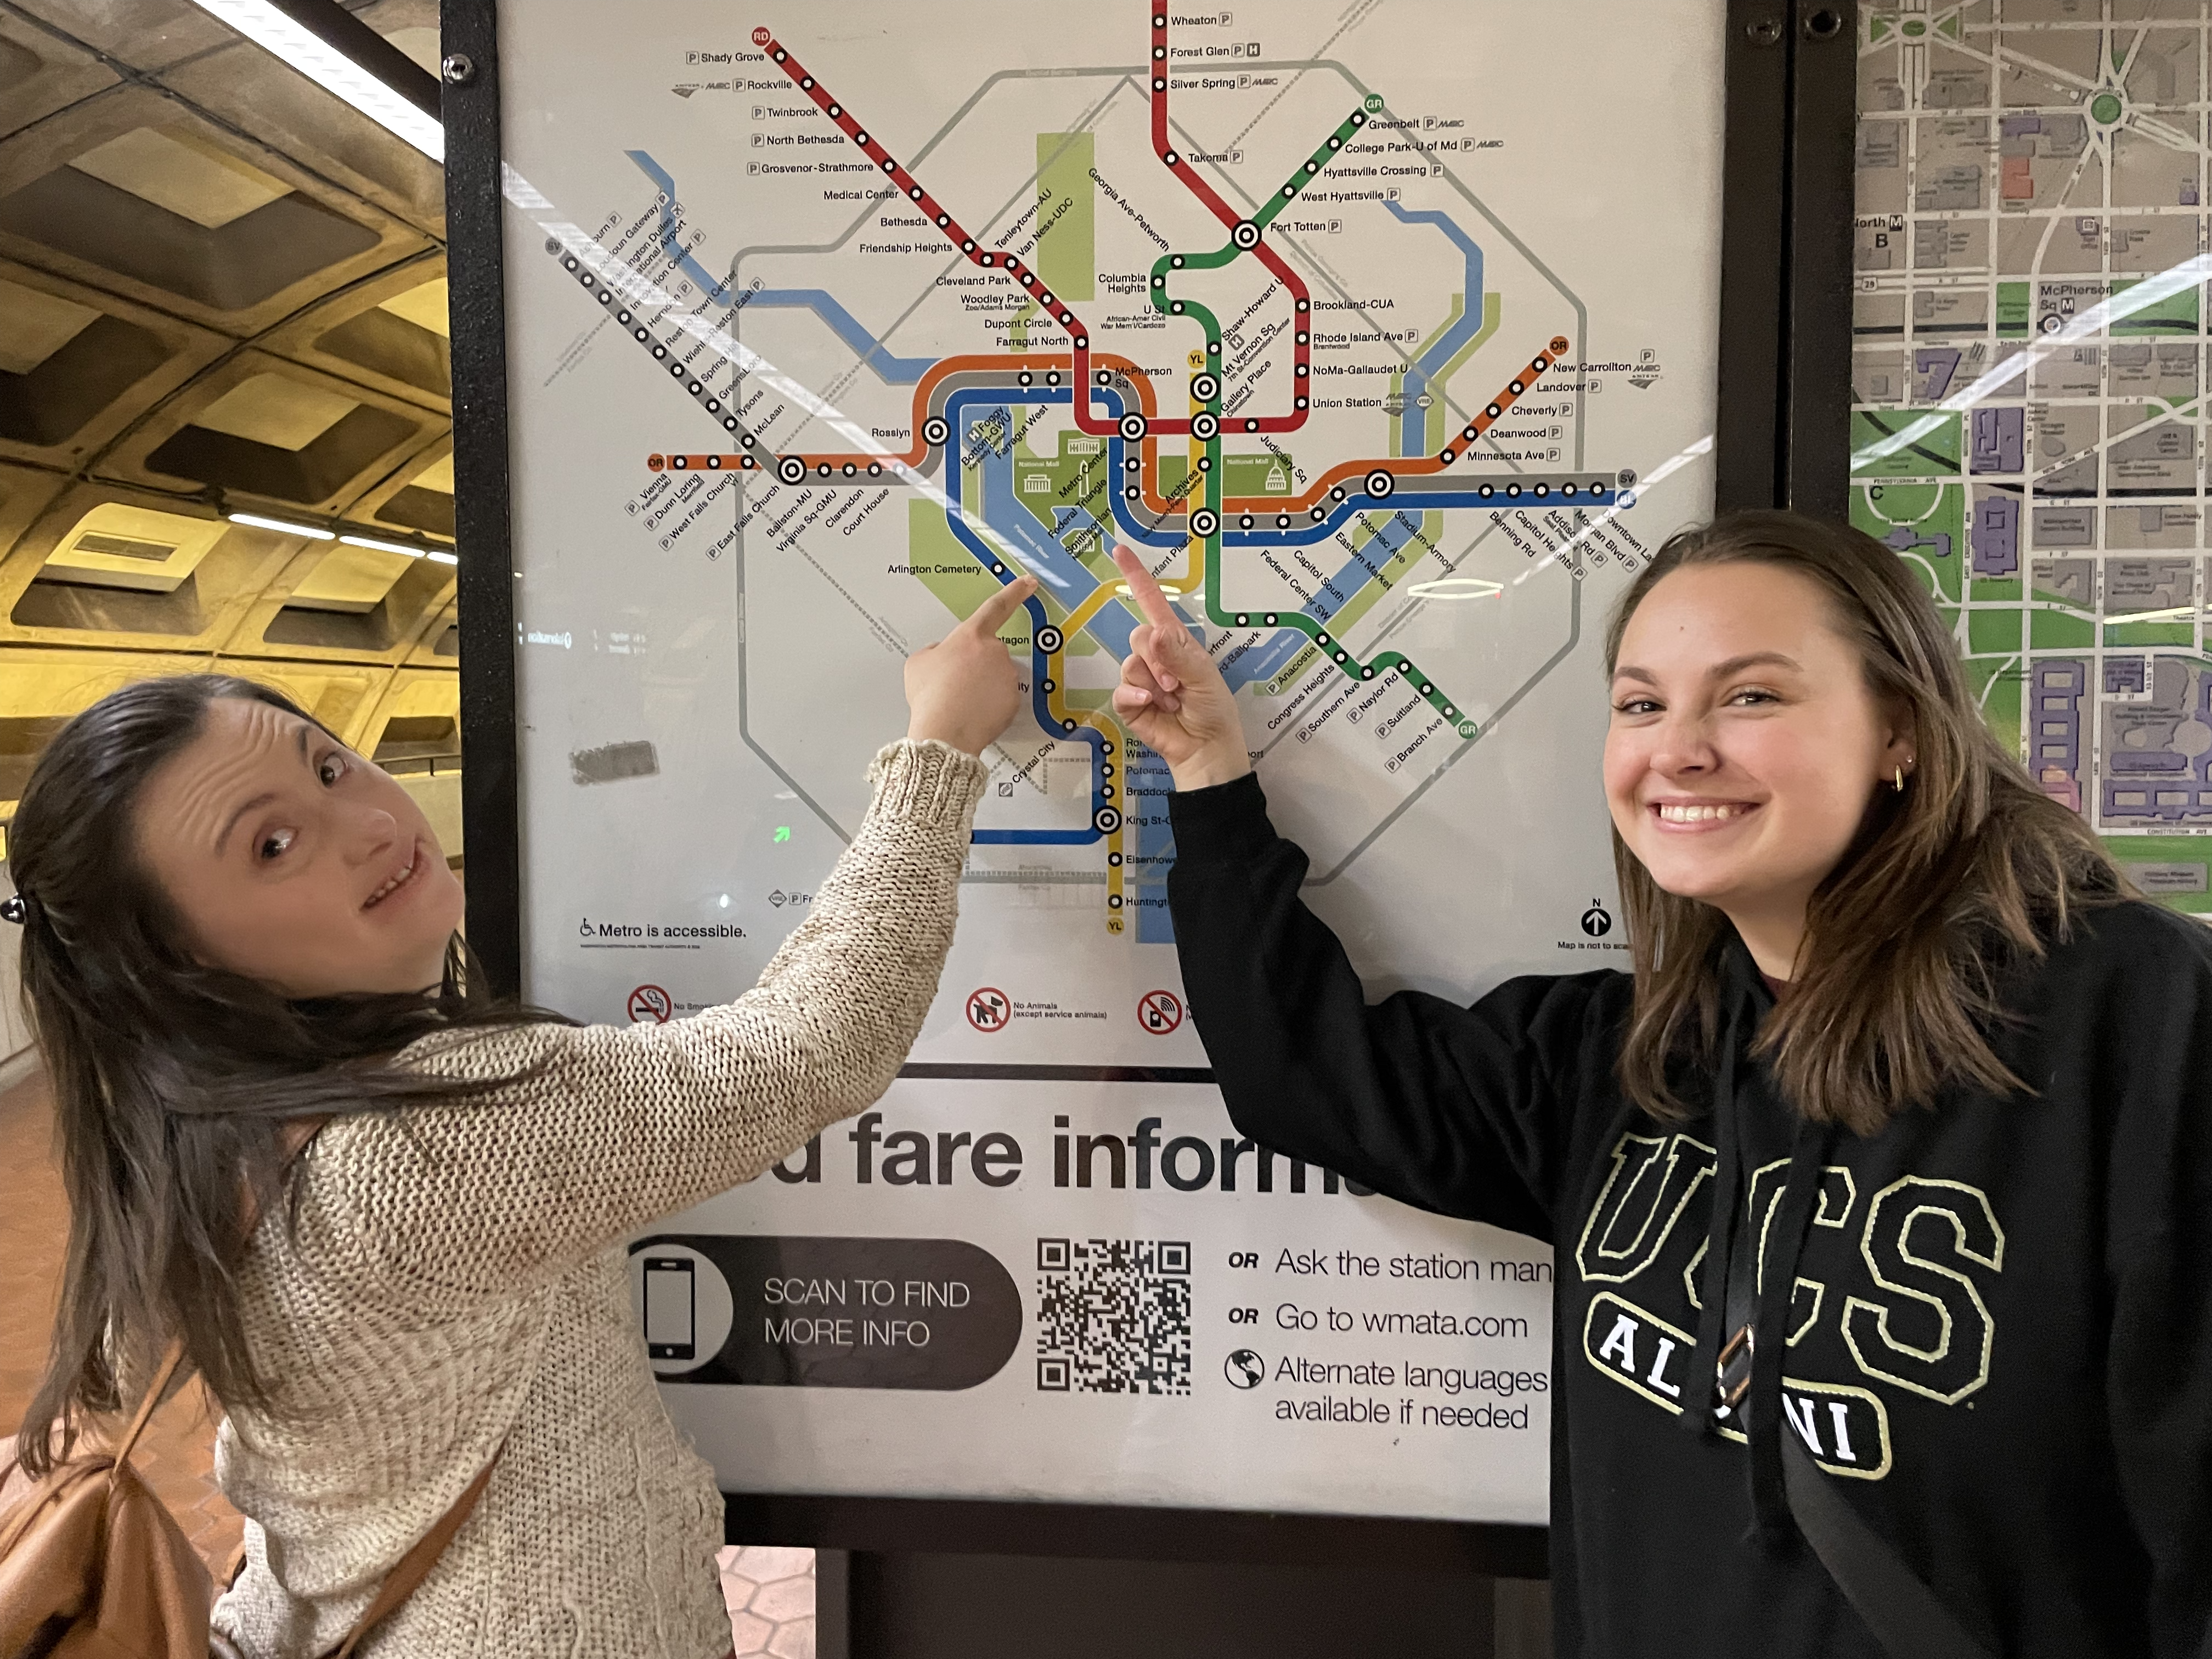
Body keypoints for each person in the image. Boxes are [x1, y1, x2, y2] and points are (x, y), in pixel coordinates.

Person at [1110, 515, 2212, 1658]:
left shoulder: (2130, 1018)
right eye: (1642, 705)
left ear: (1901, 731)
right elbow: (1315, 1080)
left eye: (1751, 698)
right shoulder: (1641, 1054)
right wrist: (1209, 776)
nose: (1678, 750)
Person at [4, 575, 1037, 1658]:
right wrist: (940, 746)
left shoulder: (206, 1140)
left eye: (325, 763)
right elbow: (816, 1045)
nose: (361, 822)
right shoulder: (422, 1149)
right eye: (273, 845)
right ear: (180, 967)